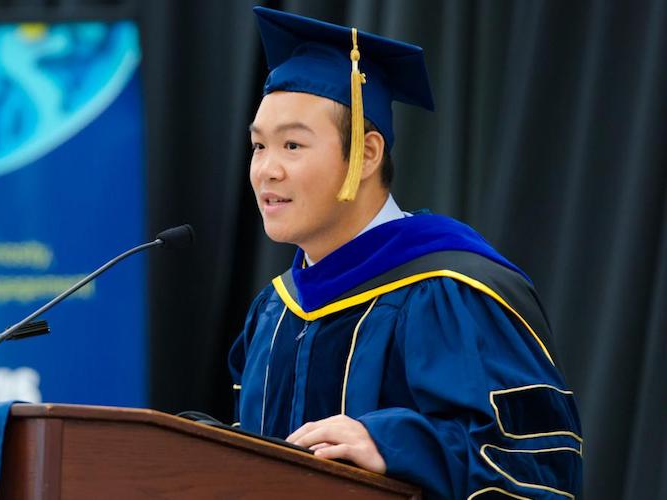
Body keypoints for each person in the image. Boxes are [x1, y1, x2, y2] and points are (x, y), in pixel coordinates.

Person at [228, 7, 583, 499]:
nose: (266, 170)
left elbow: (537, 470)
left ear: (368, 154)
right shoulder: (273, 311)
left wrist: (400, 446)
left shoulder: (453, 293)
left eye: (292, 145)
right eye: (258, 146)